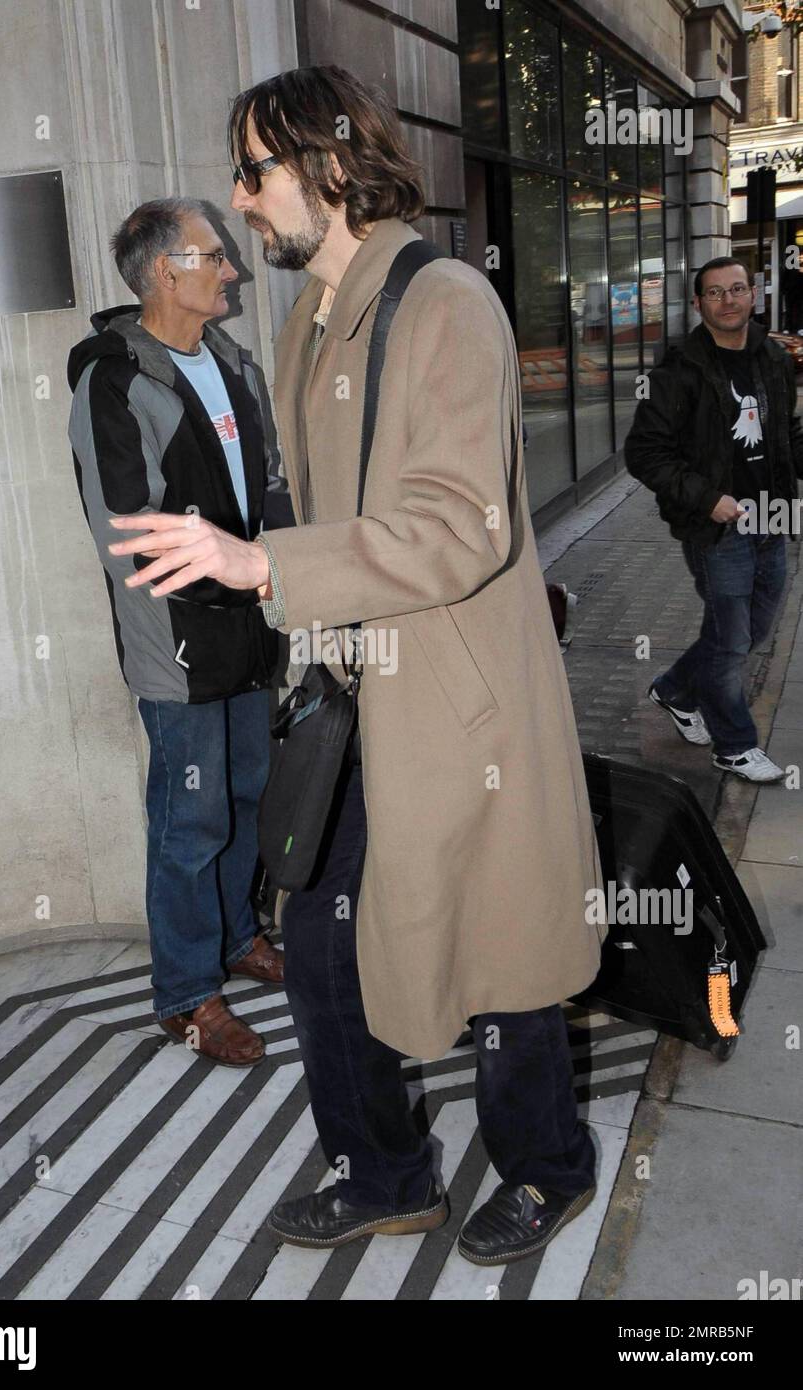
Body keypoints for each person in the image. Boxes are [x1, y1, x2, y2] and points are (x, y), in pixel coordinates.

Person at [108, 67, 607, 1266]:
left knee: (502, 951)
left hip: (457, 707)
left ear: (328, 165)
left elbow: (456, 526)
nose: (239, 198)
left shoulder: (442, 303)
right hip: (351, 703)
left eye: (254, 169)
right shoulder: (307, 320)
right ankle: (386, 1170)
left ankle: (548, 1164)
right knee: (327, 945)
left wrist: (261, 562)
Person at [67, 197, 285, 1068]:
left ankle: (235, 938)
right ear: (166, 271)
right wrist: (232, 580)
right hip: (178, 640)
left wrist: (277, 574)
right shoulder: (115, 378)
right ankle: (186, 996)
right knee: (188, 820)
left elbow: (267, 481)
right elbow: (128, 532)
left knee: (244, 799)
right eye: (213, 256)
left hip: (252, 622)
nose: (230, 270)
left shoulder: (232, 362)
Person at [626, 257, 802, 782]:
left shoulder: (772, 357)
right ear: (699, 303)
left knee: (752, 631)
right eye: (716, 292)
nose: (729, 300)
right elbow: (645, 453)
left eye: (739, 289)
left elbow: (785, 437)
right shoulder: (677, 372)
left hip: (771, 517)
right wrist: (707, 499)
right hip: (718, 527)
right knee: (730, 643)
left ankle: (675, 689)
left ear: (754, 295)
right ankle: (733, 745)